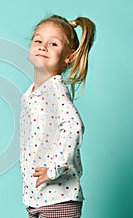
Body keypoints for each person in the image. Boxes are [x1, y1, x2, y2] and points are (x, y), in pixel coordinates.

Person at [19, 15, 96, 218]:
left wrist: (53, 169)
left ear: (68, 57)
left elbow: (74, 127)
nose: (43, 46)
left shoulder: (54, 90)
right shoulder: (32, 93)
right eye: (38, 40)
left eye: (53, 43)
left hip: (57, 199)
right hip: (38, 198)